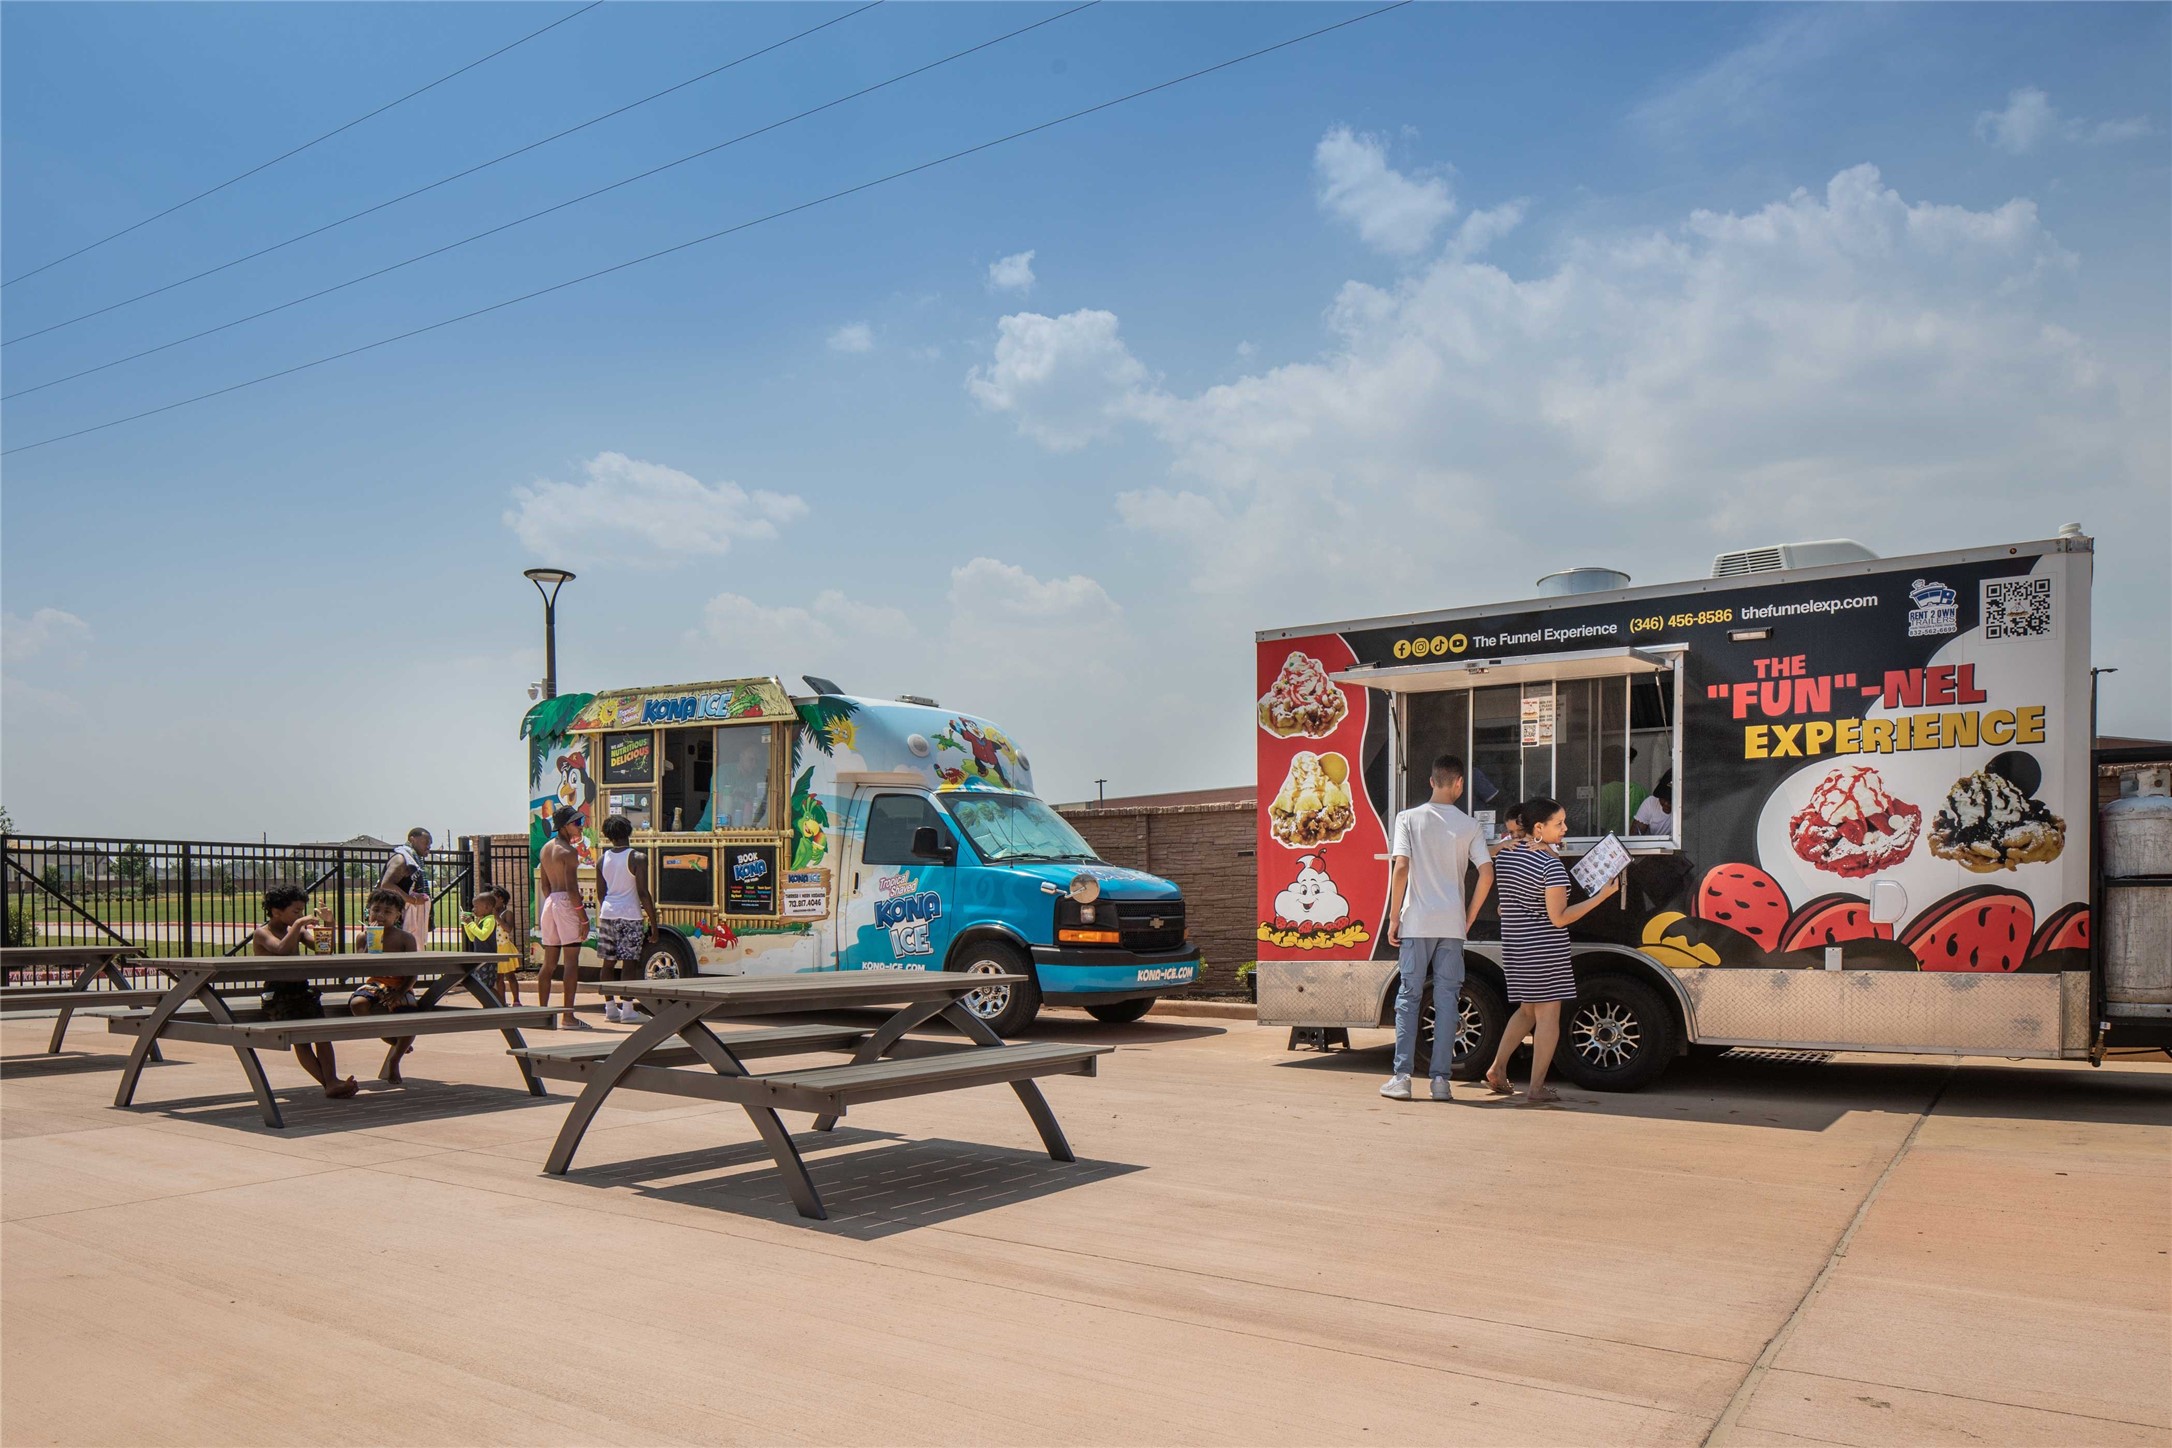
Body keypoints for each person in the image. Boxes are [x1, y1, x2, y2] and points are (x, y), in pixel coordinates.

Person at [1483, 797, 1621, 1104]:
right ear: (1538, 828)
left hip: (1515, 945)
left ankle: (1497, 1068)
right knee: (1547, 1016)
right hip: (1544, 948)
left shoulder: (1505, 855)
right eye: (1558, 824)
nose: (1564, 828)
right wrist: (1602, 896)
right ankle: (1536, 1088)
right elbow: (1559, 918)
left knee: (1526, 1010)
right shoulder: (1549, 865)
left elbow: (1501, 892)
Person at [1381, 753, 1495, 1102]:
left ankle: (1402, 1078)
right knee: (1448, 1000)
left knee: (1409, 998)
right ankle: (1441, 1082)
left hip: (1416, 922)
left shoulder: (1408, 819)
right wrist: (1470, 914)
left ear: (1432, 781)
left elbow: (1401, 867)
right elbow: (1487, 873)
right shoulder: (1469, 825)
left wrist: (1394, 916)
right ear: (1459, 784)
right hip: (1452, 924)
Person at [252, 885, 356, 1099]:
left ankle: (332, 1081)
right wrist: (299, 924)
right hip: (279, 994)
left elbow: (324, 949)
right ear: (276, 911)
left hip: (302, 990)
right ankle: (329, 1083)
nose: (301, 915)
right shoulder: (263, 933)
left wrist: (329, 922)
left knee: (323, 1036)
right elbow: (280, 950)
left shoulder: (296, 930)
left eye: (301, 911)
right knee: (302, 1040)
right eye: (296, 911)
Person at [349, 887, 420, 1083]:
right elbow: (361, 967)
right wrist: (371, 941)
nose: (380, 915)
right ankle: (391, 1040)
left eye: (387, 912)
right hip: (376, 983)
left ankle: (395, 1060)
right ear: (368, 911)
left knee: (410, 1015)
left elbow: (413, 972)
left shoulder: (405, 938)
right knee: (357, 1004)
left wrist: (401, 992)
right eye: (376, 910)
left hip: (400, 984)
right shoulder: (363, 936)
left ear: (397, 916)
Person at [594, 815, 660, 1024]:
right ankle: (628, 1009)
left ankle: (610, 1008)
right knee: (629, 962)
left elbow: (600, 893)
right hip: (630, 915)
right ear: (629, 831)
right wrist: (654, 924)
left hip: (608, 913)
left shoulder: (602, 860)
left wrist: (611, 906)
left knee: (608, 962)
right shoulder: (637, 858)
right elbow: (643, 893)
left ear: (608, 835)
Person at [535, 805, 592, 1030]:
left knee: (549, 962)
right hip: (566, 903)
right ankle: (568, 1017)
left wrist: (555, 905)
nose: (580, 826)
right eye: (576, 822)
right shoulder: (568, 852)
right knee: (571, 962)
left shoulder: (546, 849)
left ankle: (542, 1016)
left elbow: (545, 886)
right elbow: (572, 888)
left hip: (549, 904)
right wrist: (583, 918)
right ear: (565, 826)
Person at [461, 885, 522, 1005]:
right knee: (498, 978)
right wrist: (467, 924)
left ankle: (516, 1000)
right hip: (494, 949)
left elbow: (508, 929)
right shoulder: (483, 918)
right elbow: (475, 936)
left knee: (510, 976)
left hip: (504, 948)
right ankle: (502, 1002)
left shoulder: (505, 913)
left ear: (501, 899)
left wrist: (497, 917)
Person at [378, 828, 434, 951]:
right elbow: (386, 885)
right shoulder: (401, 860)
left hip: (398, 915)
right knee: (395, 953)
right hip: (390, 916)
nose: (429, 846)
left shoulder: (412, 860)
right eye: (426, 842)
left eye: (430, 844)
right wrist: (412, 900)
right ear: (412, 839)